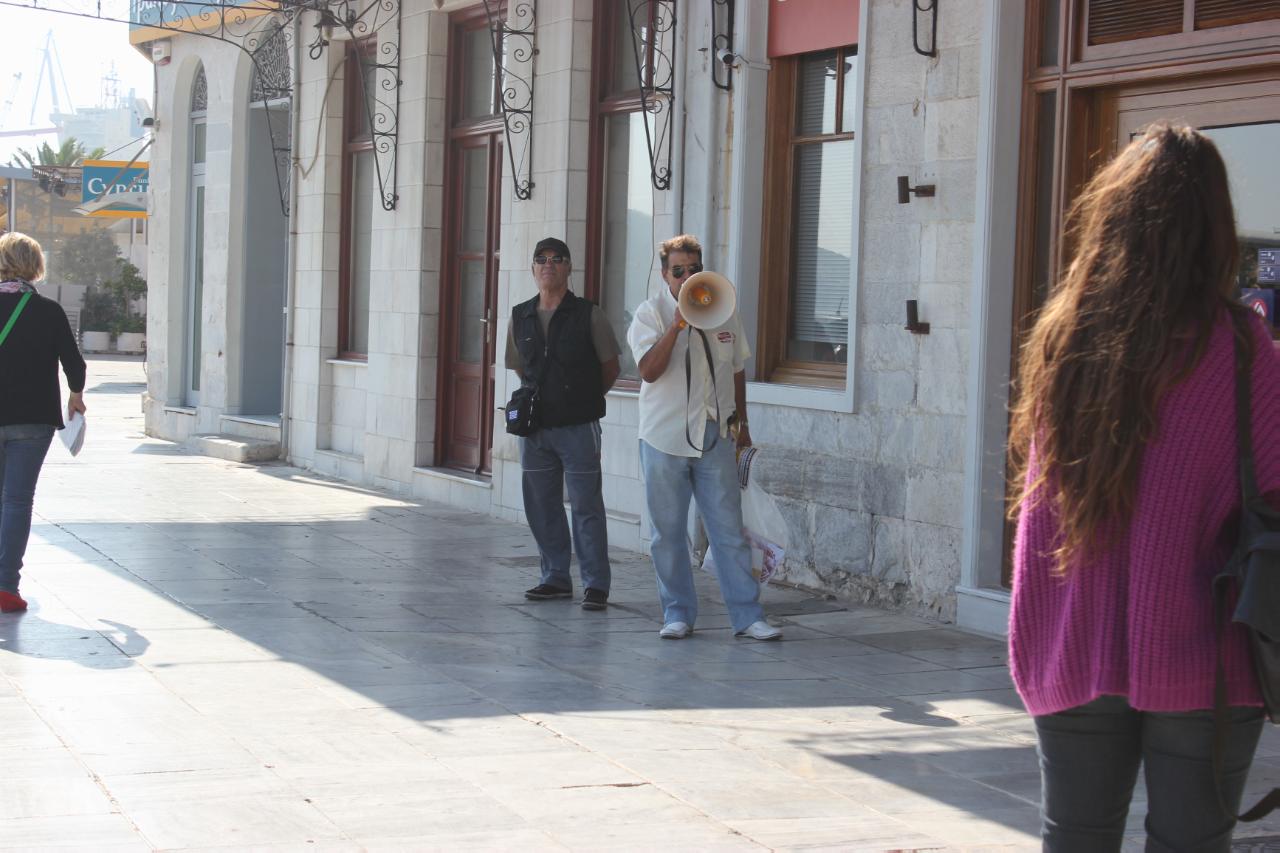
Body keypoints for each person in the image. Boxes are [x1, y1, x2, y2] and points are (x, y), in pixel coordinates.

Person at [1008, 124, 1280, 852]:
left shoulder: (1067, 338)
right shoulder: (1243, 348)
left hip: (1073, 640)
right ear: (1215, 227)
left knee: (1075, 837)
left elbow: (1040, 511)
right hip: (1209, 657)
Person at [627, 234, 780, 641]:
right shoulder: (650, 313)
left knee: (728, 529)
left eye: (693, 269)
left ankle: (748, 617)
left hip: (716, 433)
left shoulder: (723, 310)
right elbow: (648, 370)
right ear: (665, 275)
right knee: (668, 532)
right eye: (678, 271)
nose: (687, 277)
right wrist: (678, 325)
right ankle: (677, 612)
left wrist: (742, 425)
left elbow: (737, 370)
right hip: (664, 436)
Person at [505, 237, 621, 610]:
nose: (549, 265)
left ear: (569, 268)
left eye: (557, 259)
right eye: (541, 259)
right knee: (542, 506)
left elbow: (610, 367)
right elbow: (520, 367)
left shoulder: (589, 314)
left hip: (578, 428)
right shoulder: (519, 315)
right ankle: (555, 577)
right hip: (535, 429)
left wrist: (581, 399)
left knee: (586, 506)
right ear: (533, 268)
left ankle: (595, 585)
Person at [0, 232, 87, 613]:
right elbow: (75, 364)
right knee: (17, 501)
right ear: (35, 266)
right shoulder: (49, 311)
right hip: (34, 420)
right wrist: (76, 395)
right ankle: (6, 586)